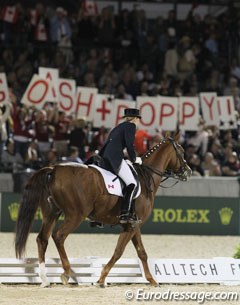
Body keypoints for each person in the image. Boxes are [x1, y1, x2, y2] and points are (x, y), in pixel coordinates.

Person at [99, 108, 142, 224]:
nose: (139, 122)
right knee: (132, 184)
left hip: (105, 156)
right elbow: (130, 145)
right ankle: (125, 213)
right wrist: (134, 159)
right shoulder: (131, 126)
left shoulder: (118, 127)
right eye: (139, 119)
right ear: (136, 118)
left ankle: (100, 216)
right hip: (115, 158)